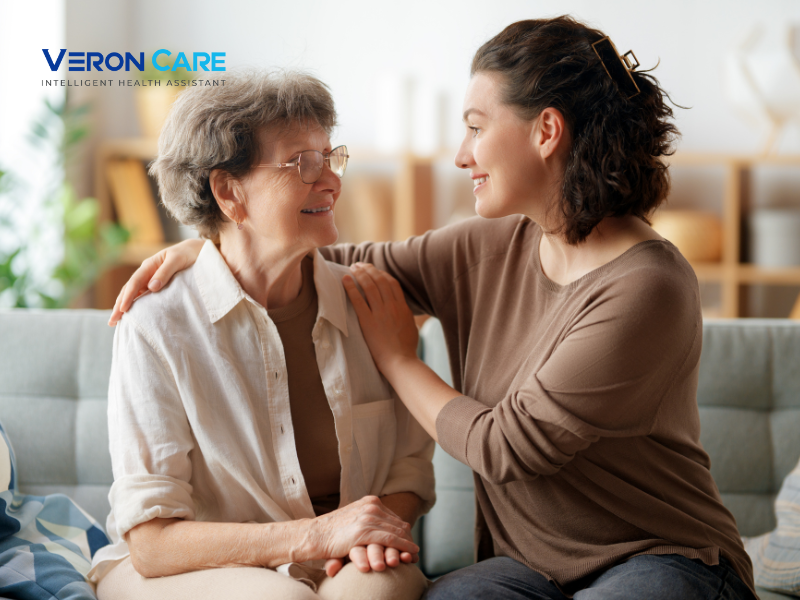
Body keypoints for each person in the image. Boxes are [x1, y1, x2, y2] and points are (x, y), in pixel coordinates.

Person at [108, 17, 758, 600]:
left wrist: (394, 356)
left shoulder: (647, 285)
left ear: (546, 131)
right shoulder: (490, 245)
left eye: (476, 127)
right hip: (527, 568)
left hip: (662, 558)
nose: (460, 154)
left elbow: (507, 447)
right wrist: (204, 248)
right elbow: (322, 255)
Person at [92, 70, 434, 600]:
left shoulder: (369, 301)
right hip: (196, 568)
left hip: (346, 556)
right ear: (230, 192)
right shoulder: (156, 323)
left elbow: (409, 472)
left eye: (330, 156)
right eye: (304, 163)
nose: (332, 180)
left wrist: (370, 533)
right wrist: (316, 535)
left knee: (373, 594)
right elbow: (152, 544)